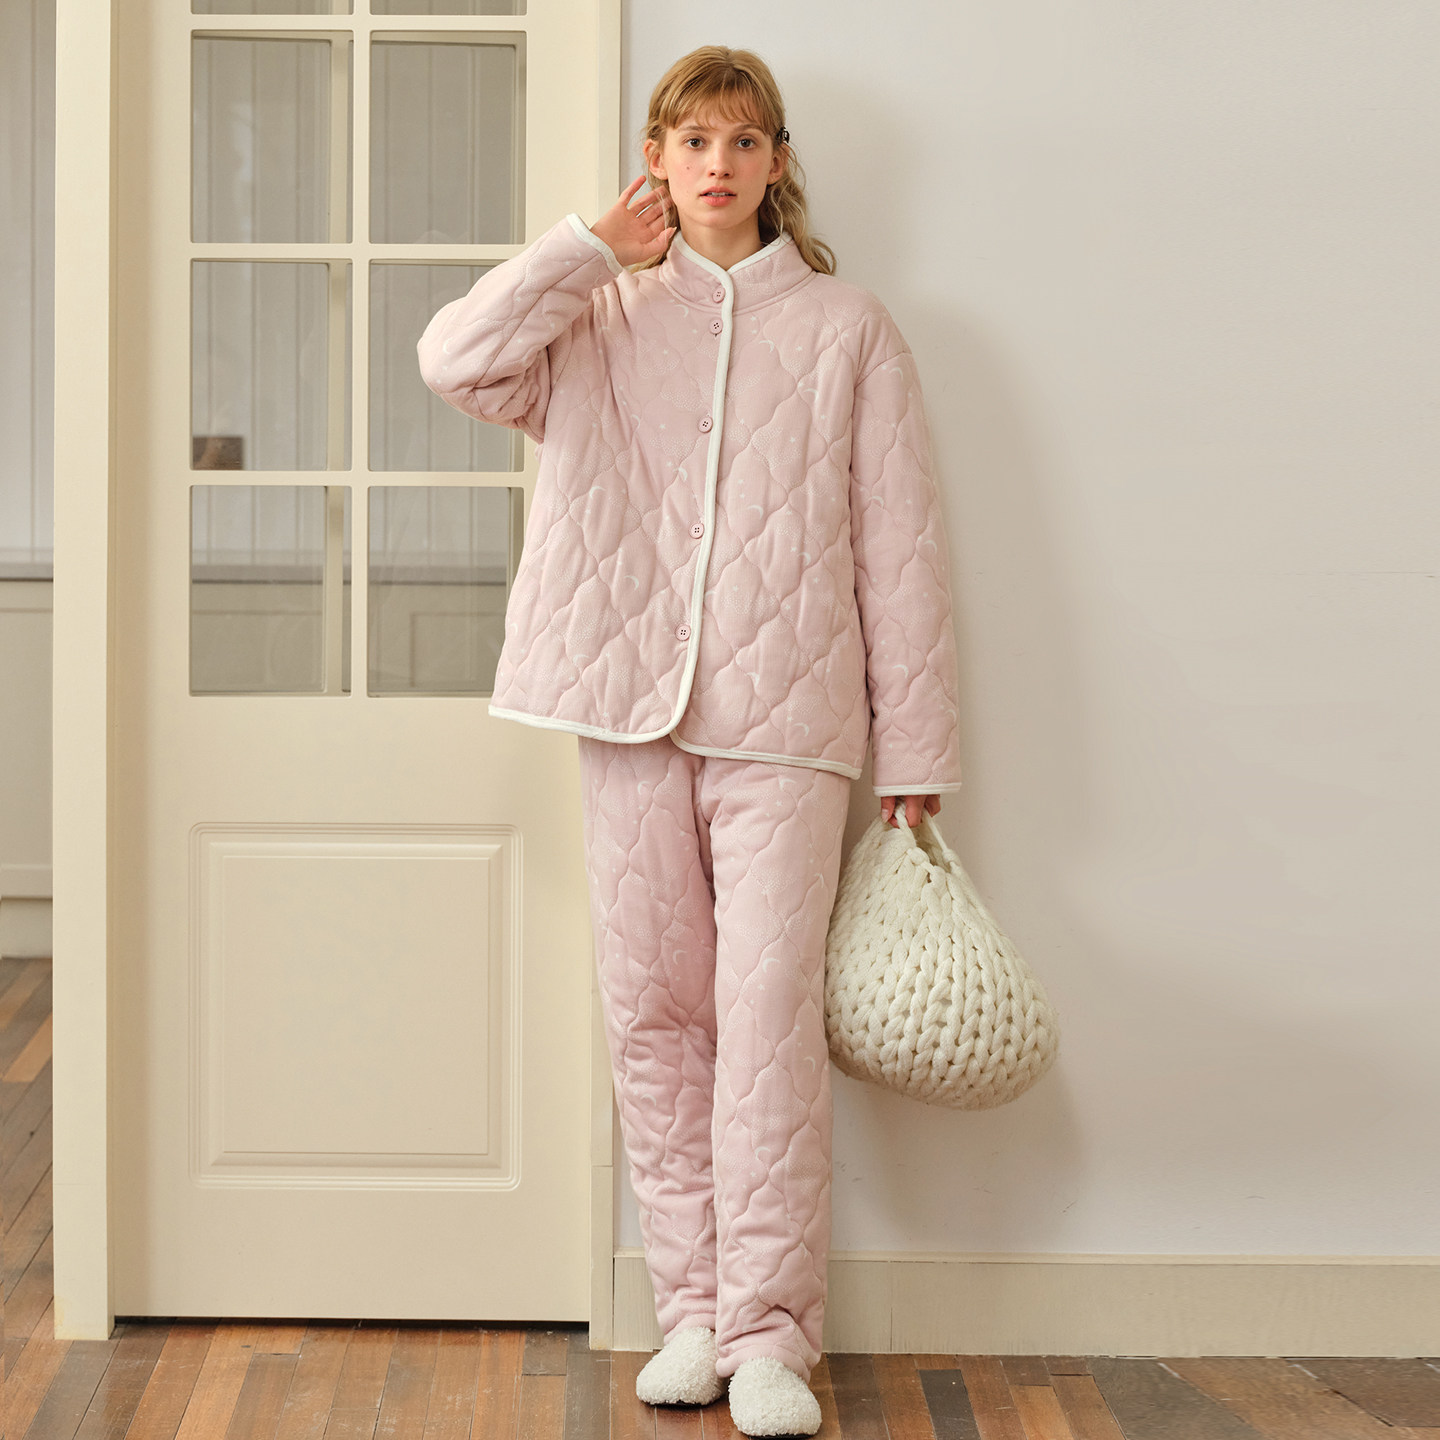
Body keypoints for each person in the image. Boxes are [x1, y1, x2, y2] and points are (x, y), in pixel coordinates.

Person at [417, 45, 962, 1439]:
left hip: (789, 719)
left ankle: (774, 1334)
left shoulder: (847, 330)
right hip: (623, 705)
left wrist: (916, 755)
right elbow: (454, 360)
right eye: (692, 139)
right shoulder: (597, 313)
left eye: (743, 139)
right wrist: (584, 249)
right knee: (656, 1017)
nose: (718, 163)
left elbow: (901, 548)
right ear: (655, 159)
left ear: (777, 163)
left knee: (765, 1022)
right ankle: (696, 1315)